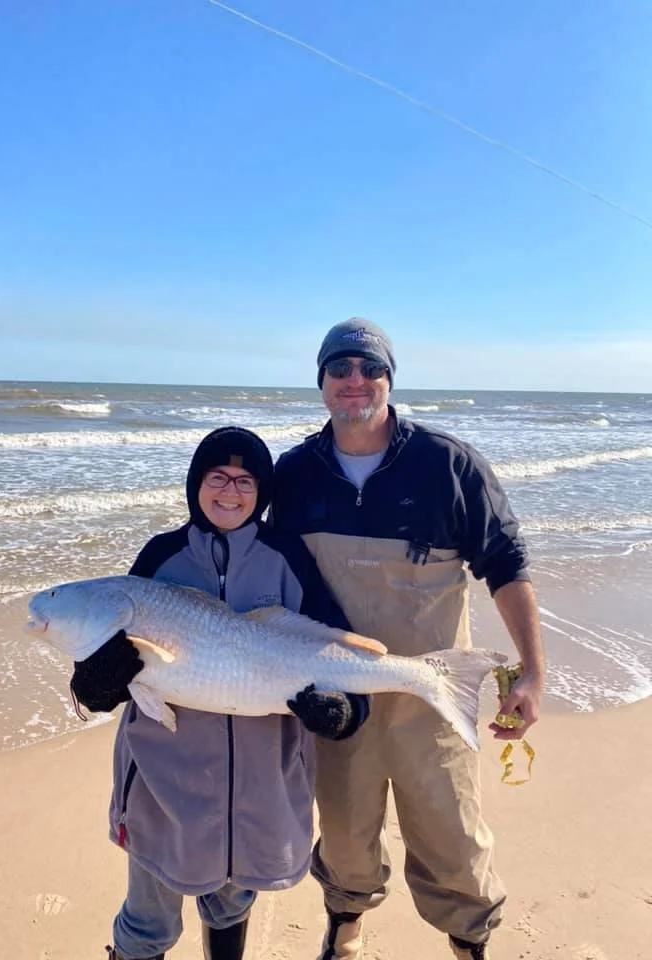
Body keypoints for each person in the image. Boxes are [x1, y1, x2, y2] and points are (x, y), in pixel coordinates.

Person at [270, 318, 545, 960]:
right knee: (342, 833)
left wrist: (533, 673)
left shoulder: (447, 465)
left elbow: (506, 564)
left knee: (451, 834)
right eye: (339, 368)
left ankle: (469, 940)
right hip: (340, 696)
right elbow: (263, 575)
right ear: (322, 382)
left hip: (433, 694)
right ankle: (346, 926)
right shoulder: (294, 475)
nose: (354, 381)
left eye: (370, 368)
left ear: (390, 379)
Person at [70, 427, 370, 960]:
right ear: (195, 484)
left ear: (262, 493)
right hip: (163, 785)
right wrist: (94, 684)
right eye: (217, 477)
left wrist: (348, 710)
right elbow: (101, 674)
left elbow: (332, 643)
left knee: (232, 905)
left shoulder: (287, 557)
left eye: (245, 481)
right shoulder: (159, 557)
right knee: (147, 923)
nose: (229, 492)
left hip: (263, 782)